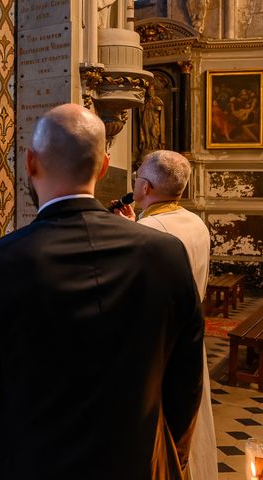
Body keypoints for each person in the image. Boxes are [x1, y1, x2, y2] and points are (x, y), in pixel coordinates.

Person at [0, 104, 204, 480]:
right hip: (137, 466)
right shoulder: (164, 254)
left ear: (30, 163)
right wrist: (172, 462)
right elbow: (185, 383)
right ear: (104, 166)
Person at [114, 150, 217, 480]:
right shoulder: (194, 222)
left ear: (145, 186)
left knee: (158, 446)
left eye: (137, 176)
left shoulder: (148, 231)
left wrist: (128, 234)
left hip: (155, 353)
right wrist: (136, 227)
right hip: (189, 344)